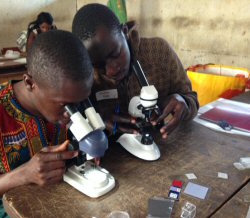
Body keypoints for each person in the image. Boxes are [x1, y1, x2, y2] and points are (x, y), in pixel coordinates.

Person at [0, 30, 93, 217]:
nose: (74, 113)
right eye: (65, 105)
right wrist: (24, 174)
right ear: (30, 83)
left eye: (80, 102)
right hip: (13, 208)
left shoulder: (71, 93)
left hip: (69, 198)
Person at [72, 3, 199, 139]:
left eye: (115, 54)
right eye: (99, 65)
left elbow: (192, 100)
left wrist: (184, 102)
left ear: (125, 31)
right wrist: (95, 120)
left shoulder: (159, 52)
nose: (111, 71)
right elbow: (74, 121)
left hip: (164, 146)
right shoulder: (84, 75)